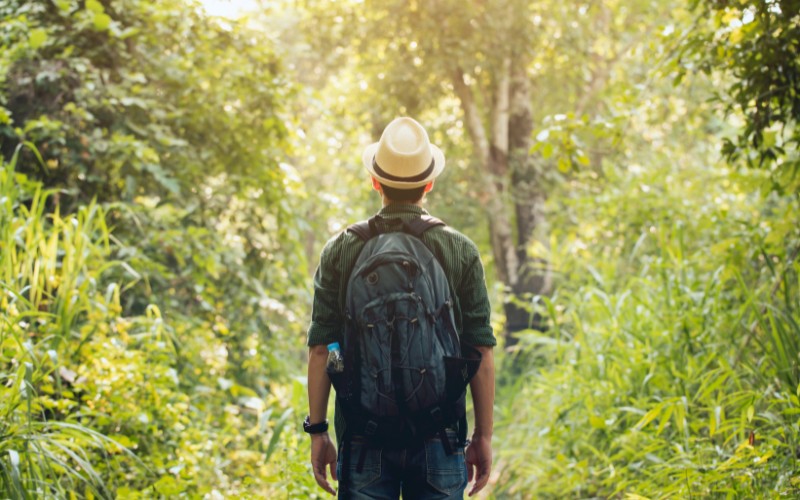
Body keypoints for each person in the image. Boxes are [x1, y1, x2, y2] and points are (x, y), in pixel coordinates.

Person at [305, 117, 496, 499]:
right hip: (439, 439)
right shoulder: (459, 249)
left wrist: (319, 432)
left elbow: (321, 350)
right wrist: (482, 437)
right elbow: (480, 350)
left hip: (364, 441)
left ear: (375, 181)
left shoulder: (341, 249)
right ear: (429, 184)